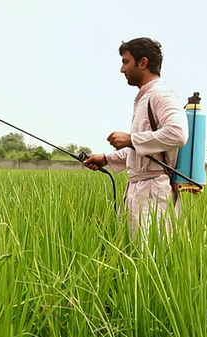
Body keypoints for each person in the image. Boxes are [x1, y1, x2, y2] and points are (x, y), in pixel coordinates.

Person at [83, 37, 189, 241]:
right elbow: (146, 150)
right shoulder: (145, 97)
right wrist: (106, 158)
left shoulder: (162, 94)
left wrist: (131, 138)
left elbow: (177, 133)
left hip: (154, 193)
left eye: (125, 62)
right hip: (140, 188)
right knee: (136, 254)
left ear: (143, 63)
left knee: (151, 256)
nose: (122, 69)